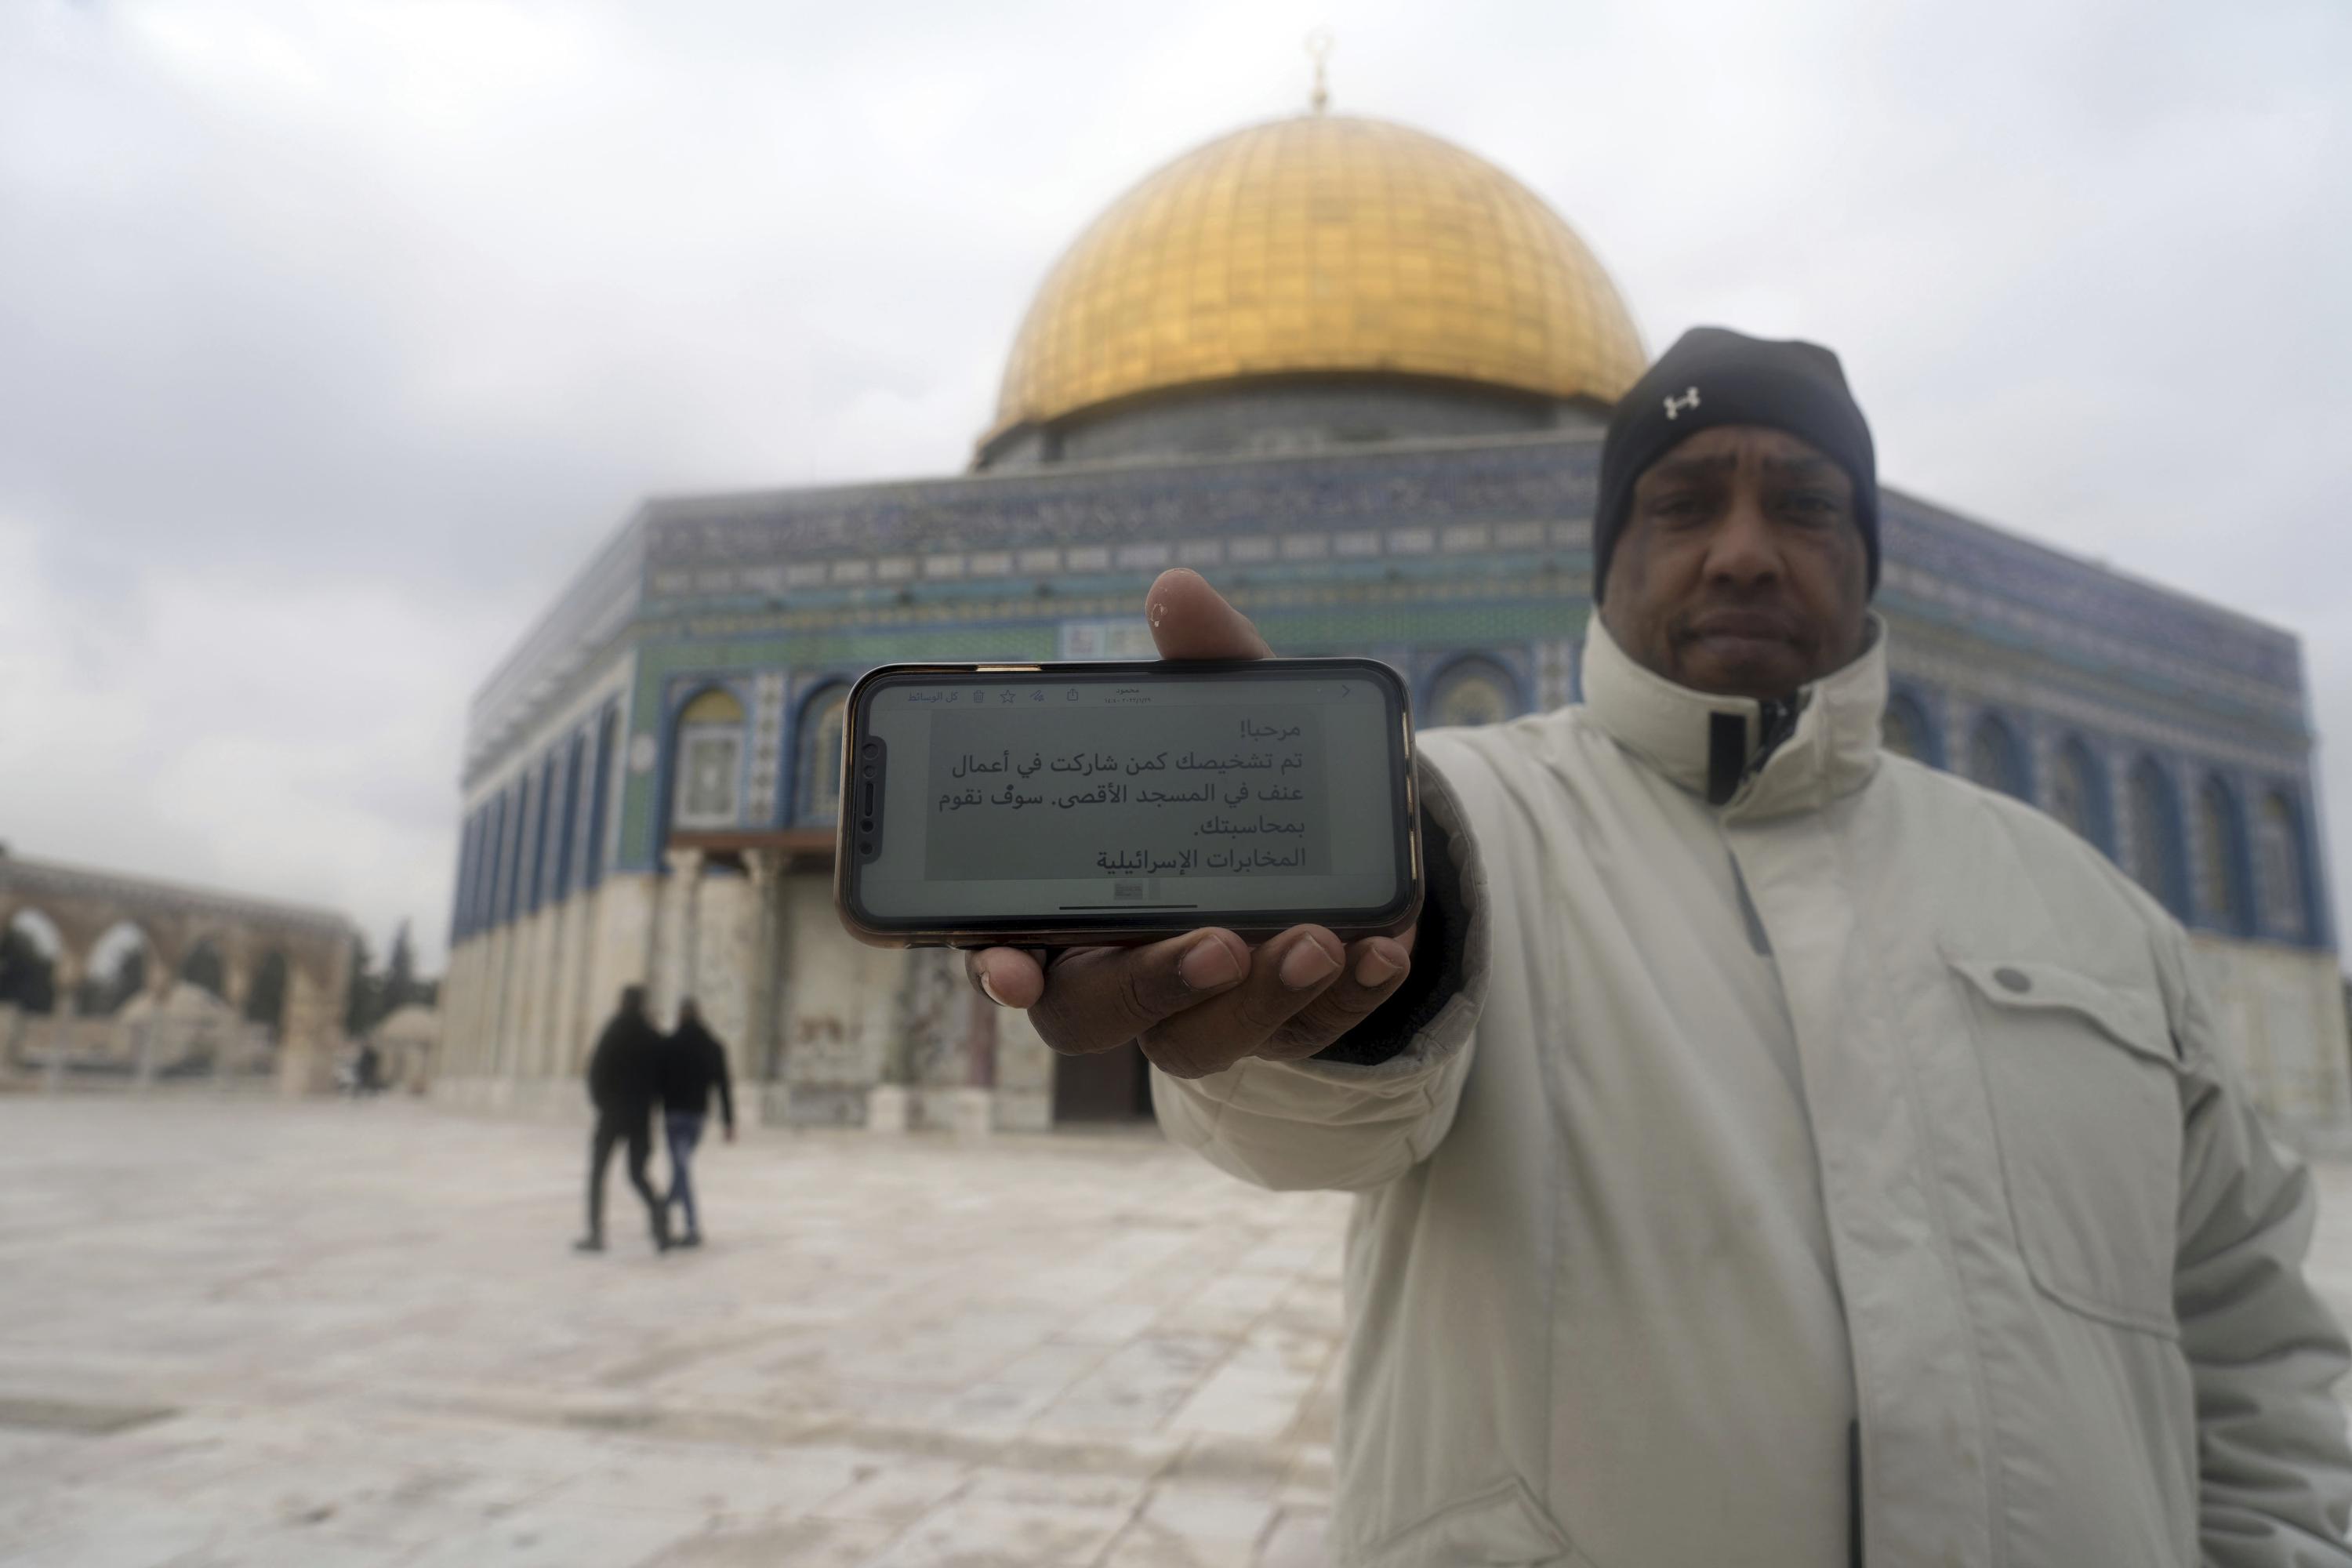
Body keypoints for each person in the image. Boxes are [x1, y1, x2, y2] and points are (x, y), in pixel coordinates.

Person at [966, 328, 2352, 1566]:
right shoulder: (1446, 824)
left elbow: (2250, 1337)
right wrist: (1331, 1009)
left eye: (1804, 504)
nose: (1744, 549)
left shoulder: (2089, 906)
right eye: (1685, 501)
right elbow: (1322, 1115)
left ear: (1870, 552)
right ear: (1603, 558)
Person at [577, 983, 669, 1254]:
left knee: (598, 1174)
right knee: (638, 1174)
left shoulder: (614, 1031)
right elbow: (664, 1078)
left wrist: (602, 1103)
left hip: (613, 1115)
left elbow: (596, 1071)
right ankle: (660, 1222)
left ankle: (596, 1234)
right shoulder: (651, 1035)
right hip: (639, 1116)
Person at [656, 997, 735, 1247]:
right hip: (697, 1118)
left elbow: (657, 1081)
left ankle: (686, 1224)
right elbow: (723, 1086)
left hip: (675, 1116)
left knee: (681, 1169)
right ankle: (664, 1213)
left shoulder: (670, 1044)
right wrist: (728, 1121)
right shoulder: (712, 1046)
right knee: (681, 1167)